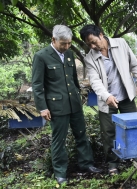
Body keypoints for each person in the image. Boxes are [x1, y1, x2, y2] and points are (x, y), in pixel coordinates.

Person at [32, 25, 102, 184]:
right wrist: (42, 107)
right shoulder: (41, 56)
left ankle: (86, 164)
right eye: (63, 43)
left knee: (81, 135)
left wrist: (78, 95)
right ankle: (60, 173)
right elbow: (37, 85)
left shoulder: (69, 54)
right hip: (57, 107)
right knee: (59, 140)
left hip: (74, 104)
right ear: (53, 40)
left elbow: (73, 79)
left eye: (69, 43)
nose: (67, 46)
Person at [79, 24, 137, 176]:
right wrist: (106, 96)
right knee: (108, 133)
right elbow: (94, 81)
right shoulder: (90, 58)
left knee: (133, 127)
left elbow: (134, 64)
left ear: (101, 34)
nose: (93, 46)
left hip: (126, 96)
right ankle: (112, 163)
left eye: (94, 41)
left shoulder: (120, 43)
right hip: (107, 100)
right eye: (89, 44)